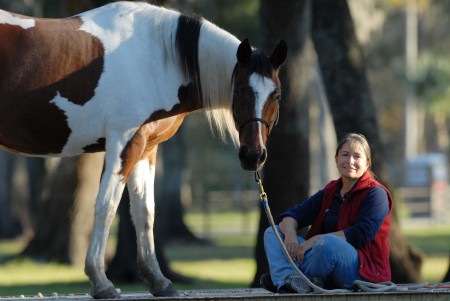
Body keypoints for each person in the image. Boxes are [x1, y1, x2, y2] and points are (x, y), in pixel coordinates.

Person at [262, 133, 393, 293]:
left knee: (328, 244)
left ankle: (289, 279)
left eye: (357, 156)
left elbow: (361, 234)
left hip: (362, 269)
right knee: (272, 233)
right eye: (345, 155)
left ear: (367, 163)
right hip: (321, 259)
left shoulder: (376, 193)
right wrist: (290, 236)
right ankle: (286, 283)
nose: (350, 161)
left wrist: (317, 239)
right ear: (336, 159)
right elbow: (292, 215)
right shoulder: (331, 191)